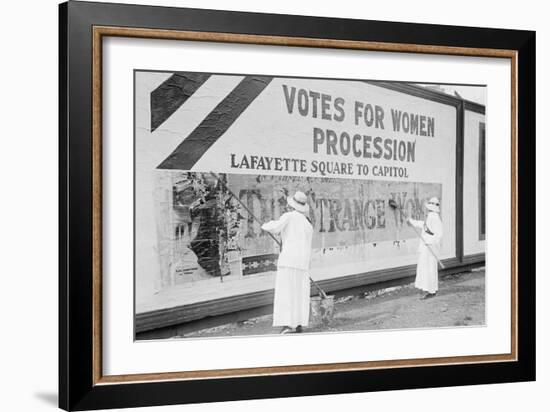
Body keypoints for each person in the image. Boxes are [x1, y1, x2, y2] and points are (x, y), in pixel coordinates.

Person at [261, 191, 313, 334]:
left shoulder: (289, 216)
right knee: (299, 293)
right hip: (302, 263)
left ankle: (288, 325)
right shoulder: (308, 224)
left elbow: (274, 227)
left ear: (292, 205)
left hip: (288, 261)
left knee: (287, 293)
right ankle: (298, 324)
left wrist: (264, 225)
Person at [408, 197, 443, 300]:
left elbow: (439, 234)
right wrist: (411, 221)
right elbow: (424, 226)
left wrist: (429, 242)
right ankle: (429, 289)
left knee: (429, 268)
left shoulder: (434, 217)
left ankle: (430, 291)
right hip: (426, 246)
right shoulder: (431, 216)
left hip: (430, 247)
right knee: (426, 268)